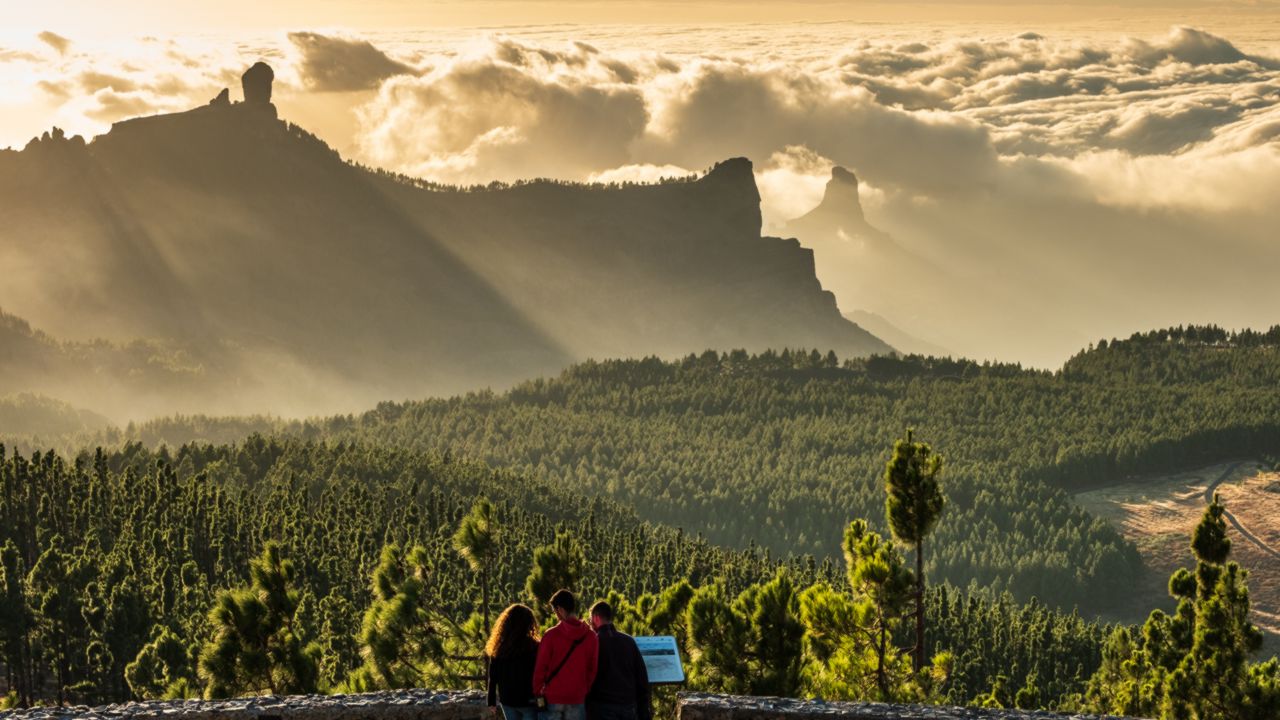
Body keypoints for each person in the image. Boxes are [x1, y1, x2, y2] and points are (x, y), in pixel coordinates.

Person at [533, 589, 599, 720]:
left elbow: (540, 668)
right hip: (577, 697)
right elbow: (593, 669)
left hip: (553, 697)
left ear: (560, 609)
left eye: (555, 611)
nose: (556, 615)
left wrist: (537, 691)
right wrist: (584, 689)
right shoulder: (591, 636)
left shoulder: (551, 635)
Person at [586, 601, 651, 720]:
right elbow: (641, 676)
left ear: (595, 618)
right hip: (628, 704)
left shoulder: (594, 642)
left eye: (590, 620)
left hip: (603, 706)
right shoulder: (629, 641)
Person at [486, 604, 542, 720]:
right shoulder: (534, 647)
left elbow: (493, 676)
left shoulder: (499, 647)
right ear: (529, 623)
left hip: (507, 700)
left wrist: (491, 701)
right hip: (528, 700)